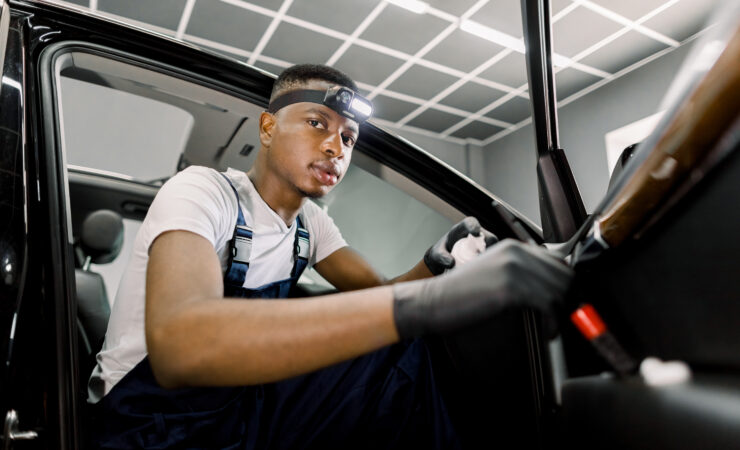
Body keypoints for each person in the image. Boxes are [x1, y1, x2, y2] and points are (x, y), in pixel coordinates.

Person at [89, 64, 573, 449]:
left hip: (240, 405)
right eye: (318, 123)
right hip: (149, 424)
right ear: (268, 126)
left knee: (401, 352)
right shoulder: (204, 191)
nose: (335, 147)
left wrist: (435, 265)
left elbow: (382, 298)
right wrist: (426, 304)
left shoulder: (310, 224)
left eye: (348, 138)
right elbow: (181, 348)